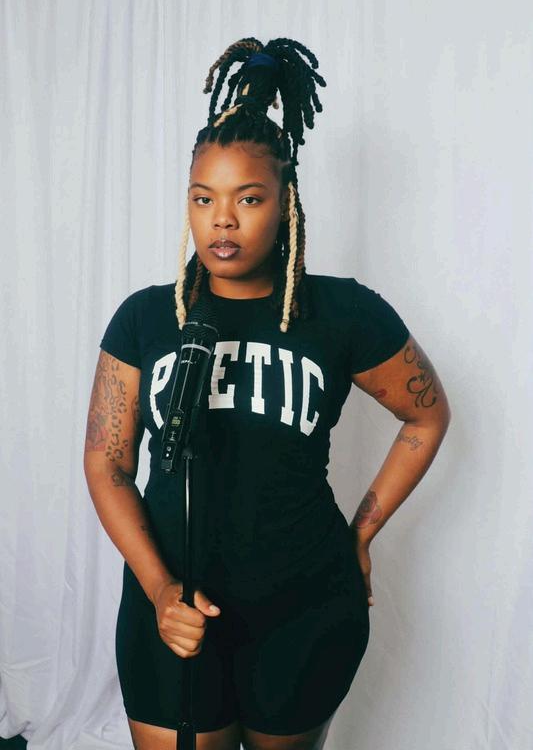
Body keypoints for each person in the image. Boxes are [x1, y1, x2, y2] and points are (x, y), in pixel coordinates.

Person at [83, 37, 451, 750]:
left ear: (285, 203)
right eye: (203, 198)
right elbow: (107, 463)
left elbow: (425, 416)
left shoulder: (343, 312)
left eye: (247, 198)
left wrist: (361, 533)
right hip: (174, 607)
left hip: (304, 610)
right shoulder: (145, 318)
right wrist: (158, 588)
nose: (222, 219)